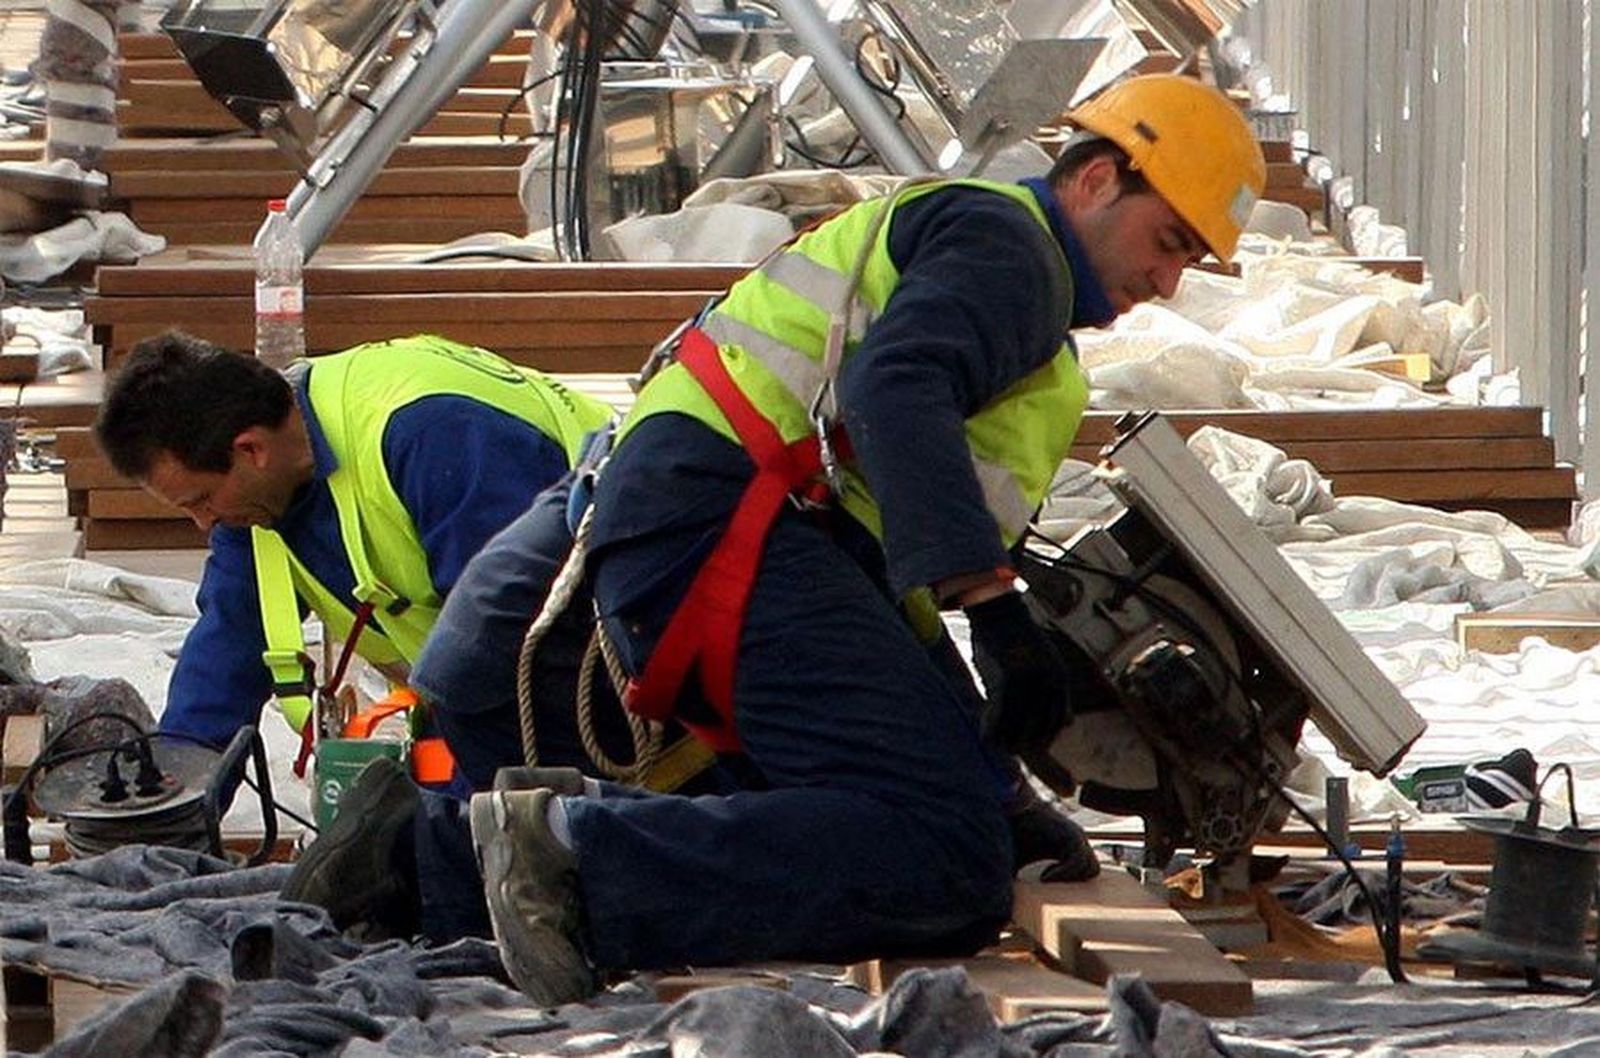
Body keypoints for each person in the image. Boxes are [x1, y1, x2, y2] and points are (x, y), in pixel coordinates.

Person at [311, 73, 1265, 997]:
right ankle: (552, 851)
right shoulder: (1011, 250)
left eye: (1188, 260)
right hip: (726, 520)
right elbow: (897, 388)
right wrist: (992, 604)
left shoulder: (994, 265)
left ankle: (424, 858)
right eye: (1168, 242)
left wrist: (1000, 791)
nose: (1167, 281)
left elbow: (880, 572)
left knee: (922, 829)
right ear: (1094, 179)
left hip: (719, 522)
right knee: (939, 855)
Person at [93, 331, 612, 936]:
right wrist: (166, 809)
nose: (202, 522)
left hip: (624, 660)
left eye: (201, 499)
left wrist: (438, 849)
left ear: (250, 449)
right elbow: (225, 652)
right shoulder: (260, 501)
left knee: (466, 871)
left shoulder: (433, 434)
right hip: (519, 680)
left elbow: (512, 652)